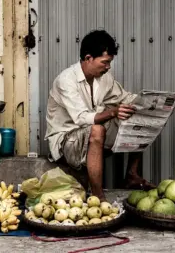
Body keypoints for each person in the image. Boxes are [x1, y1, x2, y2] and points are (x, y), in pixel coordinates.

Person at [45, 29, 155, 201]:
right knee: (97, 130)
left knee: (137, 116)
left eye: (110, 62)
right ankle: (98, 196)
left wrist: (153, 104)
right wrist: (113, 112)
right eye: (105, 62)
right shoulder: (65, 80)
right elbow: (82, 118)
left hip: (90, 134)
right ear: (88, 58)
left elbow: (125, 98)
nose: (108, 67)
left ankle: (132, 175)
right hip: (67, 141)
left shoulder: (104, 78)